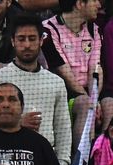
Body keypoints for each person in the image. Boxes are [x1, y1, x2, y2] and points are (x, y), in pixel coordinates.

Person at [0, 17, 71, 165]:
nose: (27, 45)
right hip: (4, 161)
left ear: (41, 41)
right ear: (12, 41)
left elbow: (63, 128)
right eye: (21, 39)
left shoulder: (56, 82)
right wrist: (17, 122)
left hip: (43, 163)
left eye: (32, 39)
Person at [41, 0, 102, 151]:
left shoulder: (94, 29)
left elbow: (95, 68)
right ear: (80, 4)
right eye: (94, 0)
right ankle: (79, 164)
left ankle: (101, 162)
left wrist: (95, 97)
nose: (99, 5)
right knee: (87, 105)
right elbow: (63, 71)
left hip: (90, 91)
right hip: (64, 91)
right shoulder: (48, 29)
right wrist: (90, 100)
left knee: (110, 106)